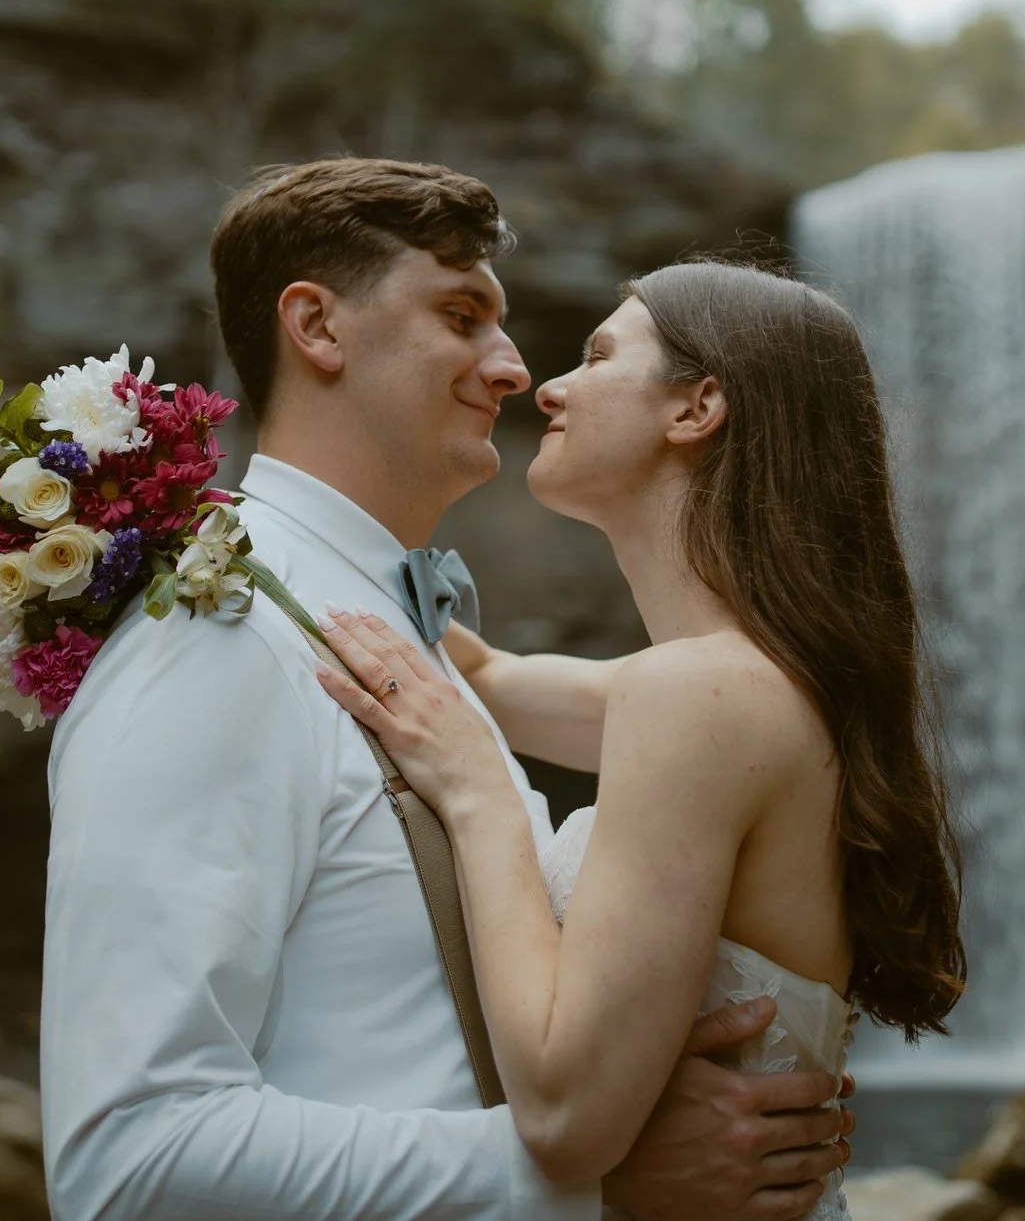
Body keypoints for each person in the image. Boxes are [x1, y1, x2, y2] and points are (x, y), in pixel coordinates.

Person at [41, 161, 856, 1221]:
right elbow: (126, 1160)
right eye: (462, 315)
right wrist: (584, 1185)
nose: (519, 371)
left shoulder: (398, 648)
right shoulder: (215, 632)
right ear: (318, 328)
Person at [310, 260, 966, 1219]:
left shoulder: (699, 692)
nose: (549, 385)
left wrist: (481, 791)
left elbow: (566, 1116)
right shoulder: (757, 682)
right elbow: (485, 679)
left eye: (598, 354)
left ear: (697, 408)